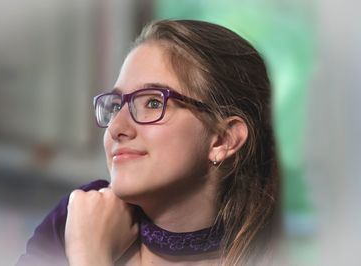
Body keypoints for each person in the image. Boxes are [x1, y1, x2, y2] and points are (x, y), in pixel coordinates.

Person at [17, 19, 280, 266]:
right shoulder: (79, 215)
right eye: (117, 104)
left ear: (223, 139)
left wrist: (91, 256)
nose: (116, 128)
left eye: (153, 103)